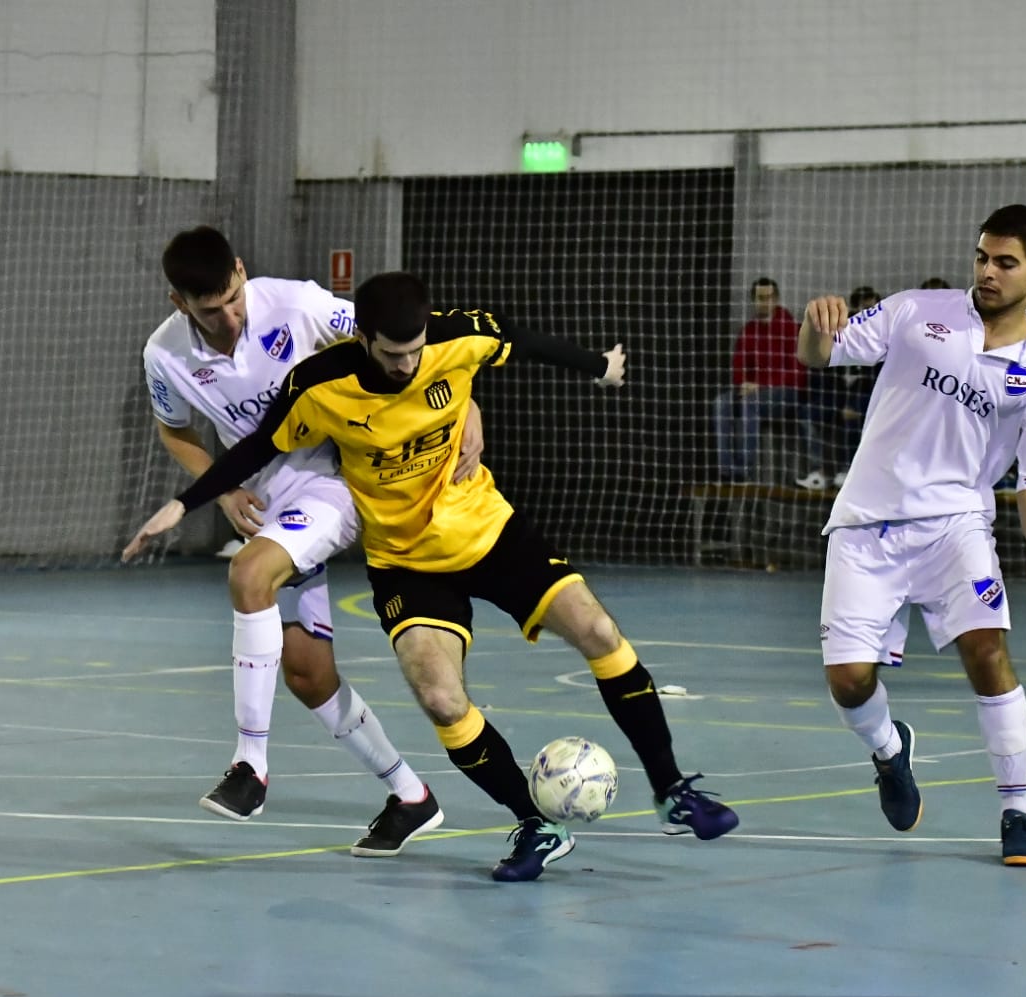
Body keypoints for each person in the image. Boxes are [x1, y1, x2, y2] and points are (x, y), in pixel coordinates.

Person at [125, 270, 739, 882]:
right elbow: (255, 447)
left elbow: (524, 341)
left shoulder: (455, 337)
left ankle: (672, 792)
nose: (408, 364)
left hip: (488, 531)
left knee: (599, 633)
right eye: (394, 354)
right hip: (405, 562)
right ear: (363, 338)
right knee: (443, 700)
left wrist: (598, 365)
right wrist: (184, 504)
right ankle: (537, 824)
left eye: (416, 350)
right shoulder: (318, 384)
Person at [144, 226, 479, 857]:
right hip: (272, 498)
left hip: (342, 480)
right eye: (210, 310)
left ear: (242, 272)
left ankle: (250, 766)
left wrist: (468, 409)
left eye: (234, 298)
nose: (229, 316)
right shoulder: (164, 356)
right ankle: (411, 797)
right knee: (305, 672)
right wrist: (221, 491)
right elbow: (176, 431)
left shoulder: (296, 303)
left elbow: (406, 339)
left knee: (248, 576)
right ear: (178, 302)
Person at [795, 204, 1026, 867]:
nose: (987, 272)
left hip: (955, 526)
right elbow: (819, 355)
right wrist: (813, 323)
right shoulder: (916, 311)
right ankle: (890, 752)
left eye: (1004, 263)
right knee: (848, 681)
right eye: (981, 257)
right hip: (865, 522)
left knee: (985, 651)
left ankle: (1017, 811)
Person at [712, 277, 808, 482]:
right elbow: (738, 363)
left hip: (786, 391)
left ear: (777, 299)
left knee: (750, 403)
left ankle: (743, 471)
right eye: (760, 298)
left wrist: (761, 385)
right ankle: (725, 469)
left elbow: (797, 371)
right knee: (721, 403)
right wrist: (743, 384)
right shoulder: (749, 330)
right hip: (753, 390)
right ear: (753, 300)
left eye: (769, 297)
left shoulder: (790, 328)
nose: (765, 302)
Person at [795, 286, 880, 491]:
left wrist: (852, 404)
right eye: (863, 308)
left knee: (854, 414)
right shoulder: (842, 331)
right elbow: (821, 366)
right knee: (807, 413)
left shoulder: (884, 336)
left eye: (873, 307)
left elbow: (879, 378)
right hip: (836, 395)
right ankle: (820, 472)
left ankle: (848, 470)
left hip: (868, 397)